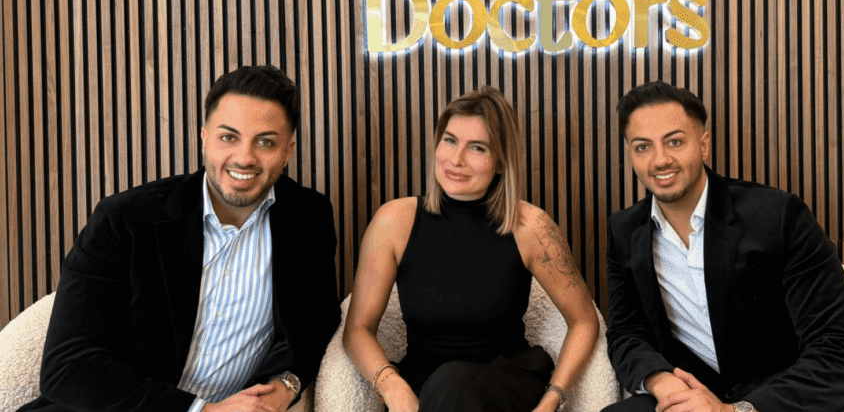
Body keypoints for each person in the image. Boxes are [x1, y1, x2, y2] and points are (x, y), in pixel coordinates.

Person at [19, 65, 341, 412]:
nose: (245, 158)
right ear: (204, 138)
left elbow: (318, 321)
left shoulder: (309, 217)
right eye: (228, 137)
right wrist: (202, 410)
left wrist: (287, 383)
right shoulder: (124, 219)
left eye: (265, 142)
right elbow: (67, 366)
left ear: (288, 150)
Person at [602, 81, 844, 412]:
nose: (660, 160)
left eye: (675, 142)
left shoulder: (778, 216)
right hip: (701, 395)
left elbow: (840, 352)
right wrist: (662, 382)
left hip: (796, 399)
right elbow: (626, 333)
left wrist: (736, 410)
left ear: (703, 144)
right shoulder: (625, 231)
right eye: (643, 147)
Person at [343, 86, 599, 412]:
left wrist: (551, 401)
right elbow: (357, 329)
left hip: (507, 385)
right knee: (447, 385)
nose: (456, 159)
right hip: (422, 390)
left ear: (501, 161)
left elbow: (584, 321)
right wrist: (391, 385)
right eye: (450, 140)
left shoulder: (532, 226)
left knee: (454, 381)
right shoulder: (393, 221)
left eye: (477, 148)